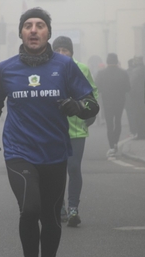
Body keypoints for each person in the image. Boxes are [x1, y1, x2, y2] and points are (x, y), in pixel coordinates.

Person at [0, 7, 99, 257]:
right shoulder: (6, 68)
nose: (33, 30)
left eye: (40, 25)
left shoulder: (65, 66)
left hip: (54, 153)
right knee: (30, 209)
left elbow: (92, 104)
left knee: (51, 218)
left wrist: (77, 107)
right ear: (21, 33)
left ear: (48, 33)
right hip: (18, 151)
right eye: (28, 26)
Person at [52, 36, 99, 227]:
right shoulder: (48, 69)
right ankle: (59, 206)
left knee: (73, 167)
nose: (62, 54)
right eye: (59, 50)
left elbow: (92, 94)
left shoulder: (82, 69)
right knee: (56, 170)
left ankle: (73, 208)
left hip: (77, 129)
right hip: (53, 129)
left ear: (72, 52)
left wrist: (88, 114)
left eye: (66, 50)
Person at [95, 53, 130, 158]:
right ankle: (116, 141)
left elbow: (97, 87)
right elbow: (128, 88)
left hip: (107, 101)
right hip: (120, 101)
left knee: (109, 124)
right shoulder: (123, 73)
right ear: (116, 61)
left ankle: (112, 145)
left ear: (107, 61)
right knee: (118, 121)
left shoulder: (101, 74)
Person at [128, 56, 145, 140]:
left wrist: (130, 94)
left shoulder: (135, 71)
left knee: (139, 116)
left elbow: (131, 84)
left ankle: (141, 134)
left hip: (137, 96)